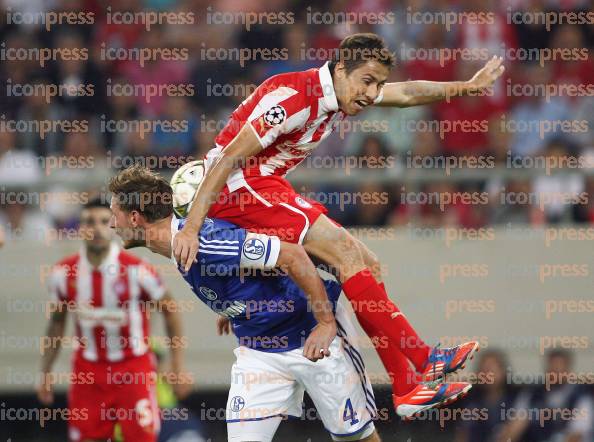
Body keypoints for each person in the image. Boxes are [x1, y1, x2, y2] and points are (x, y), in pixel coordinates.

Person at [172, 32, 501, 414]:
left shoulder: (344, 91)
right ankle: (424, 357)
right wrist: (193, 226)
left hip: (264, 185)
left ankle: (407, 387)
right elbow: (227, 157)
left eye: (377, 84)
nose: (372, 93)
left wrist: (466, 86)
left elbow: (408, 92)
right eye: (367, 82)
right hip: (237, 186)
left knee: (368, 265)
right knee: (346, 253)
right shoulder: (295, 97)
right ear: (341, 68)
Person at [107, 164, 473, 440]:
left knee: (357, 438)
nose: (110, 223)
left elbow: (293, 257)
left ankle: (414, 369)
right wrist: (231, 306)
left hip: (311, 339)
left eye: (114, 213)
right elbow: (241, 267)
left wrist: (326, 323)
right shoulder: (178, 245)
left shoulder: (202, 241)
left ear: (135, 217)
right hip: (259, 353)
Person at [37, 197, 191, 442]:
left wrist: (178, 365)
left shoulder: (137, 270)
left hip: (133, 370)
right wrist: (45, 371)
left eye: (103, 221)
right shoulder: (63, 274)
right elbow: (56, 323)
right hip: (88, 373)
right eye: (89, 222)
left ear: (113, 227)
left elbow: (170, 308)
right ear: (80, 228)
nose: (96, 228)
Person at [496, 349, 593, 442]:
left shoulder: (581, 396)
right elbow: (515, 426)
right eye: (552, 367)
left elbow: (575, 436)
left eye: (560, 367)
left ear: (568, 370)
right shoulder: (532, 394)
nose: (555, 372)